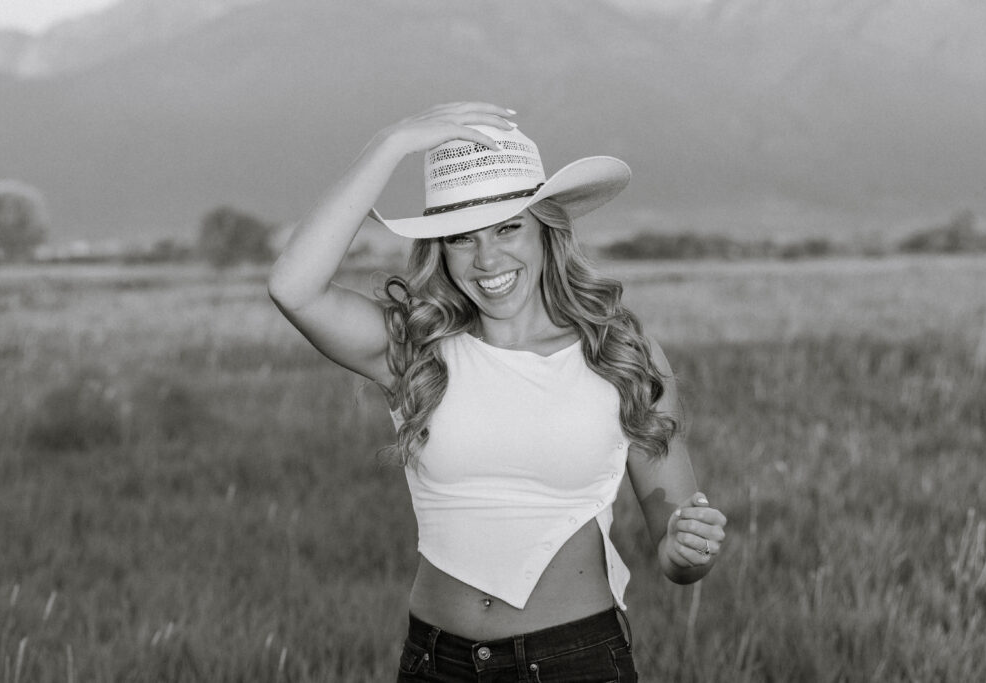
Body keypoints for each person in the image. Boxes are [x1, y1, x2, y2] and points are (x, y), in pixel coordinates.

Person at [268, 102, 727, 682]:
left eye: (509, 227)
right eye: (462, 238)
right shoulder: (415, 348)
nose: (488, 260)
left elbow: (674, 542)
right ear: (439, 247)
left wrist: (687, 551)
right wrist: (391, 143)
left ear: (546, 227)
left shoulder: (621, 353)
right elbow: (293, 287)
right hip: (437, 664)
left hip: (575, 662)